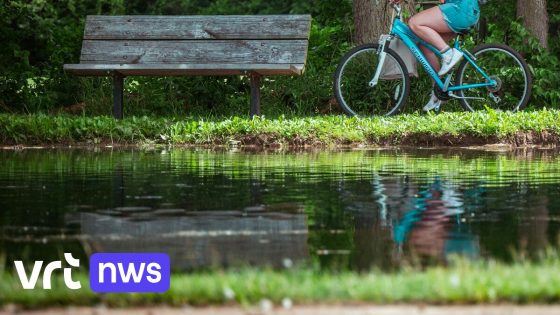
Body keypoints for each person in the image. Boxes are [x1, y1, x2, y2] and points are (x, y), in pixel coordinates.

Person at [389, 0, 481, 111]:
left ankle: (448, 53)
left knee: (414, 23)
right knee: (426, 46)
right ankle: (438, 92)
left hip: (461, 8)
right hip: (467, 11)